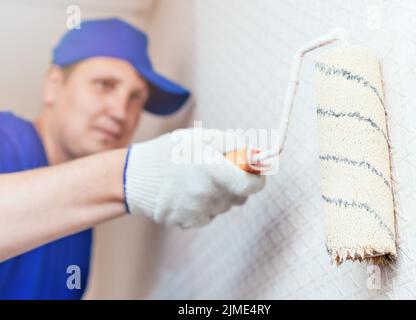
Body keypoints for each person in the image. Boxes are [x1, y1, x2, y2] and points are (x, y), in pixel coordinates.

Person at [0, 18, 265, 299]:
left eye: (136, 98)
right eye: (104, 84)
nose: (120, 111)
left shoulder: (80, 226)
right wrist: (130, 176)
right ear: (53, 85)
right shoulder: (7, 138)